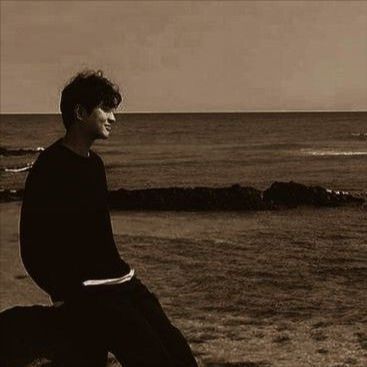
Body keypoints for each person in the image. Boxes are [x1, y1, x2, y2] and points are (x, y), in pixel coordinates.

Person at [19, 70, 198, 366]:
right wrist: (63, 292)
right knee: (152, 357)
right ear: (80, 112)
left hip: (122, 280)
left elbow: (100, 236)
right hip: (91, 292)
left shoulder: (96, 165)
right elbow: (31, 244)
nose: (113, 118)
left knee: (178, 350)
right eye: (105, 108)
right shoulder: (50, 167)